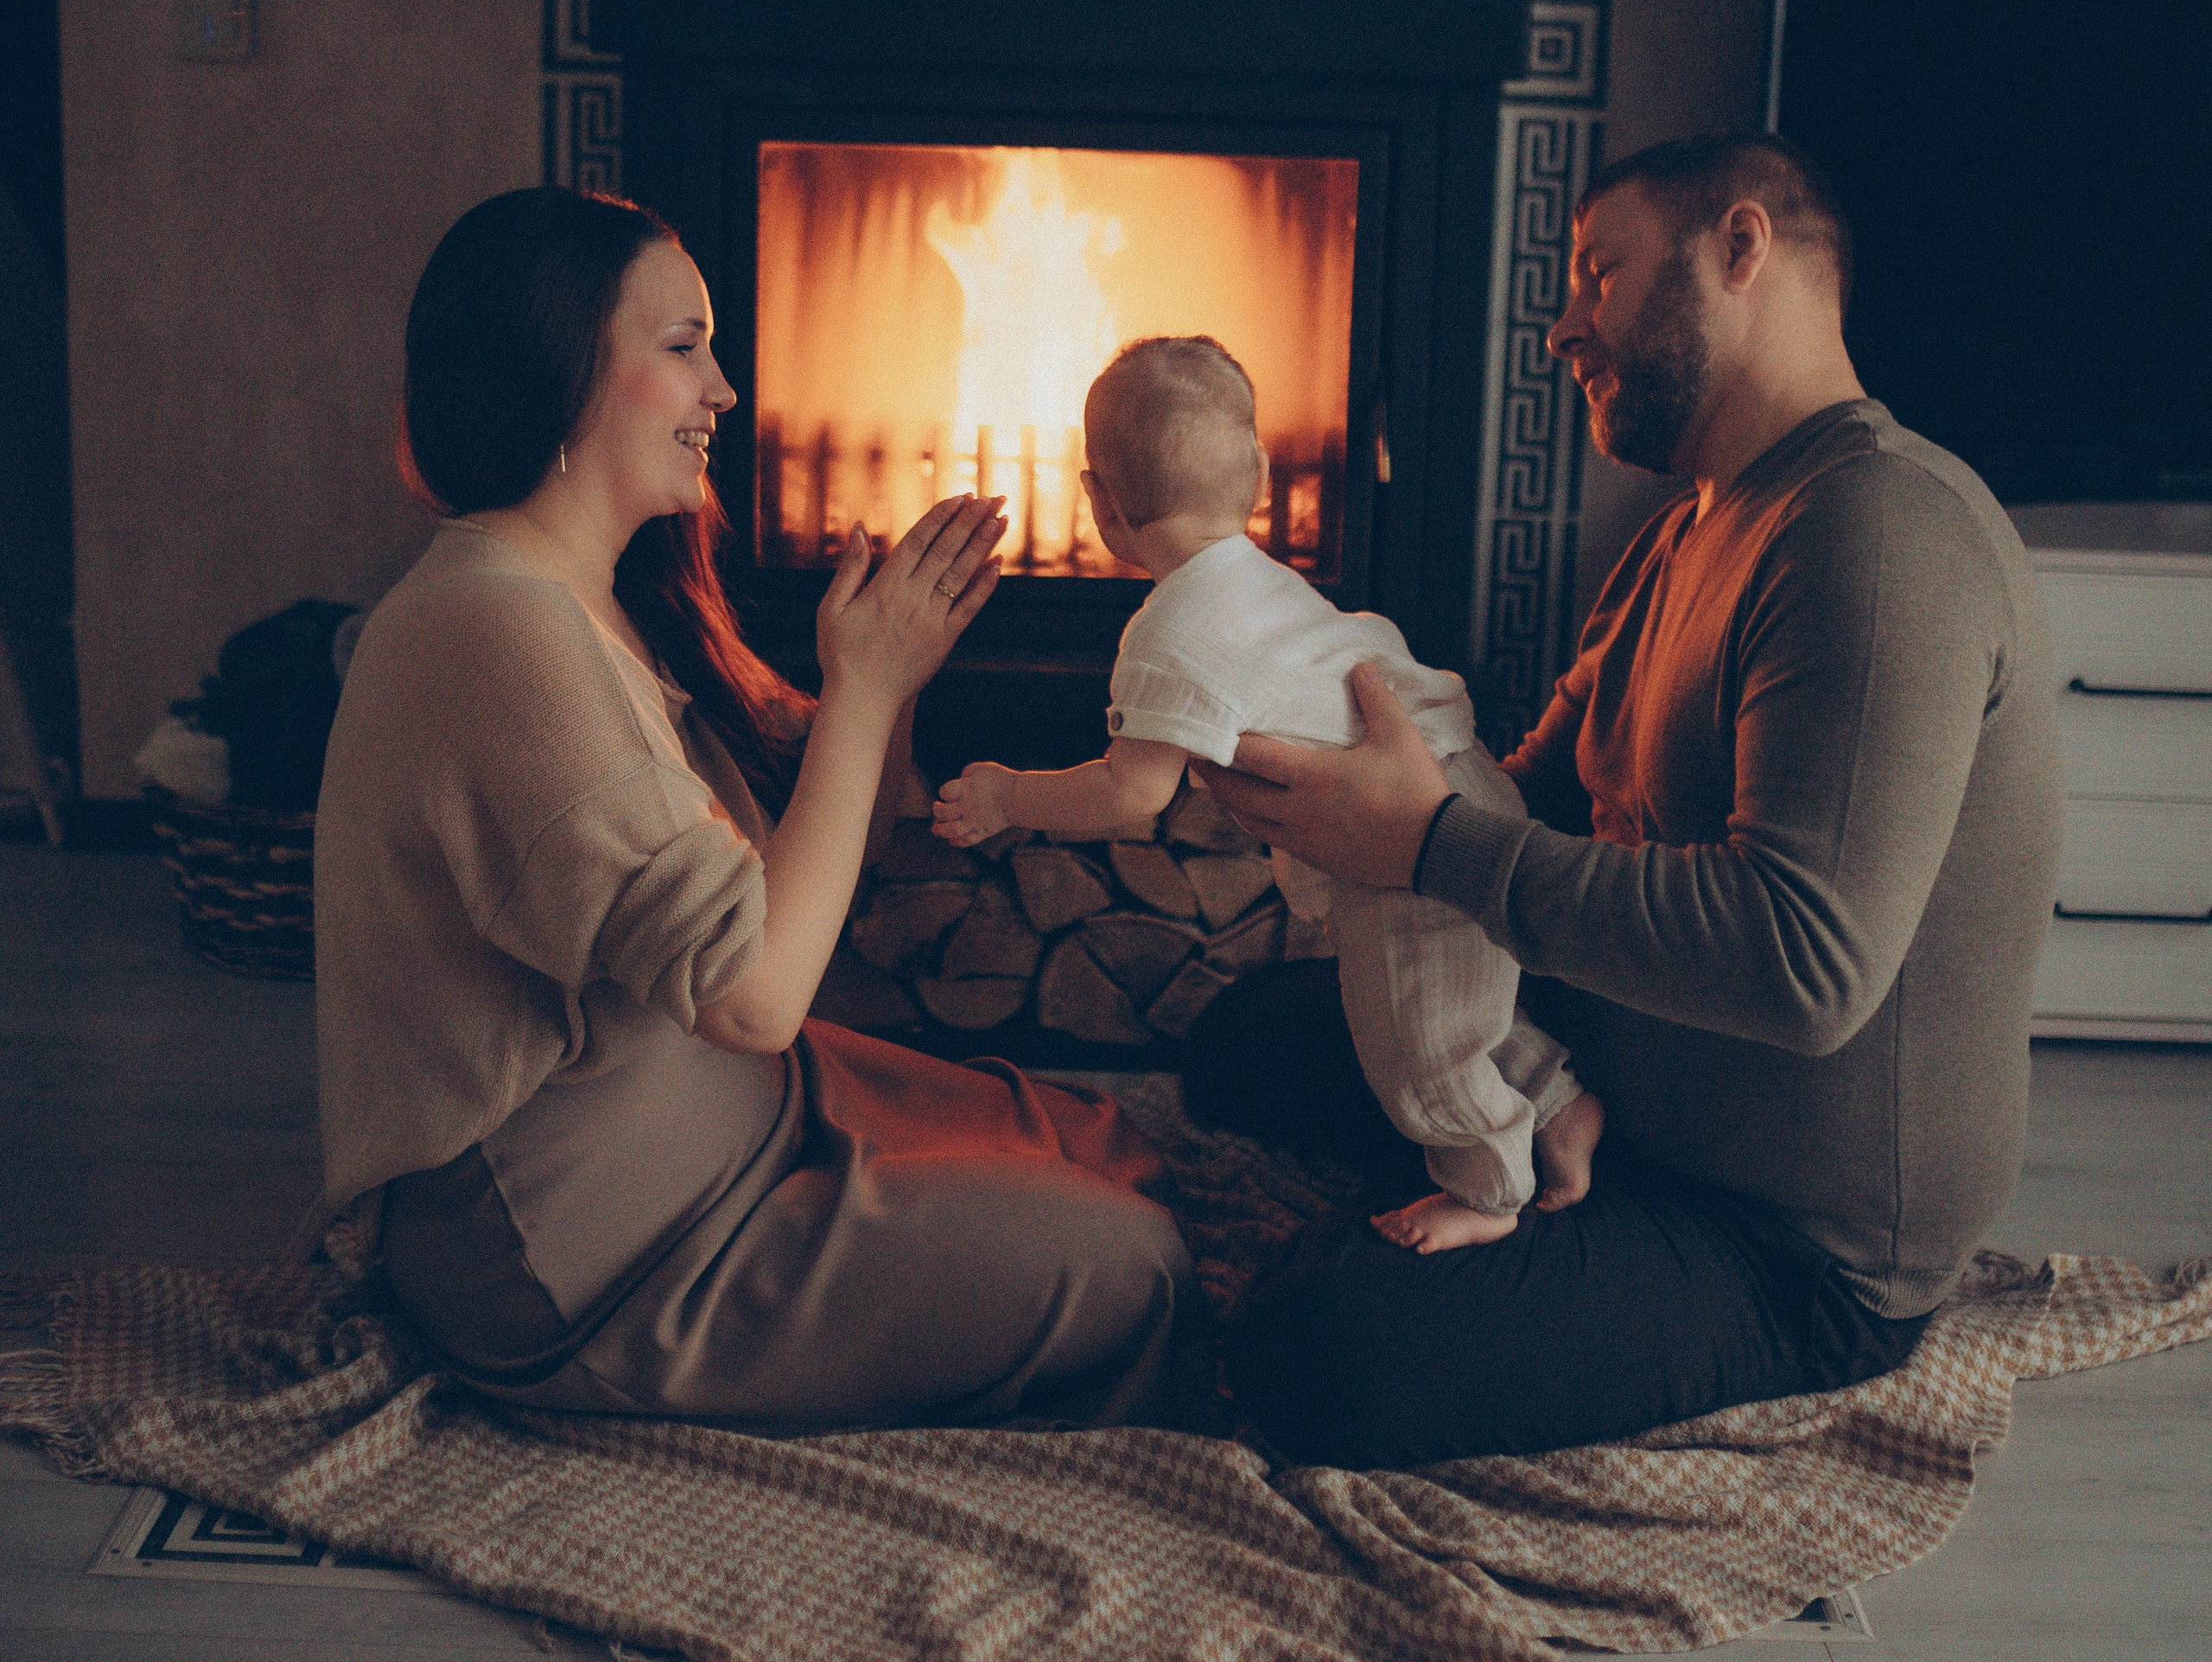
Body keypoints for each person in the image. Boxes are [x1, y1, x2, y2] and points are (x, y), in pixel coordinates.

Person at [1190, 135, 2066, 1469]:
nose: (1563, 328)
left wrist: (1425, 840)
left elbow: (1805, 963)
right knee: (1240, 1048)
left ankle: (1489, 1251)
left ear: (1741, 247)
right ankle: (1528, 1184)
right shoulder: (1691, 530)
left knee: (1313, 1353)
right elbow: (1528, 803)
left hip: (1792, 1241)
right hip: (1611, 1087)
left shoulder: (1880, 533)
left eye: (1599, 273)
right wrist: (1331, 755)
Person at [315, 185, 1206, 1433]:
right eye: (684, 348)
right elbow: (756, 994)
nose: (723, 390)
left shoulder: (596, 592)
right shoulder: (497, 627)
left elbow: (843, 844)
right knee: (1132, 1268)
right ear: (561, 375)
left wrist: (890, 679)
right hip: (601, 1255)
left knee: (1115, 1146)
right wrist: (865, 685)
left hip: (743, 1116)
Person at [936, 336, 1605, 1248]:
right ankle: (1558, 1106)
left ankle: (1490, 1189)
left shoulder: (1168, 632)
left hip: (1407, 842)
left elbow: (1131, 792)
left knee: (1413, 1044)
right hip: (1466, 787)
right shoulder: (1258, 580)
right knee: (1456, 1000)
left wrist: (1012, 795)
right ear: (1257, 474)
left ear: (1099, 504)